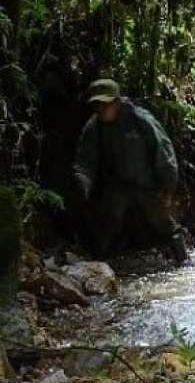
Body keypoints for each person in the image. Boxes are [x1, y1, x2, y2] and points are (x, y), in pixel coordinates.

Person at [73, 79, 187, 263]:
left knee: (165, 224)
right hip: (118, 186)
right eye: (97, 105)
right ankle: (97, 264)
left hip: (148, 185)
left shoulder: (140, 119)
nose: (101, 109)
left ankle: (183, 261)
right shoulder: (94, 127)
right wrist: (82, 184)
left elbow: (163, 151)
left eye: (105, 104)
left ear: (117, 102)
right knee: (105, 223)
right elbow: (85, 160)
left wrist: (168, 187)